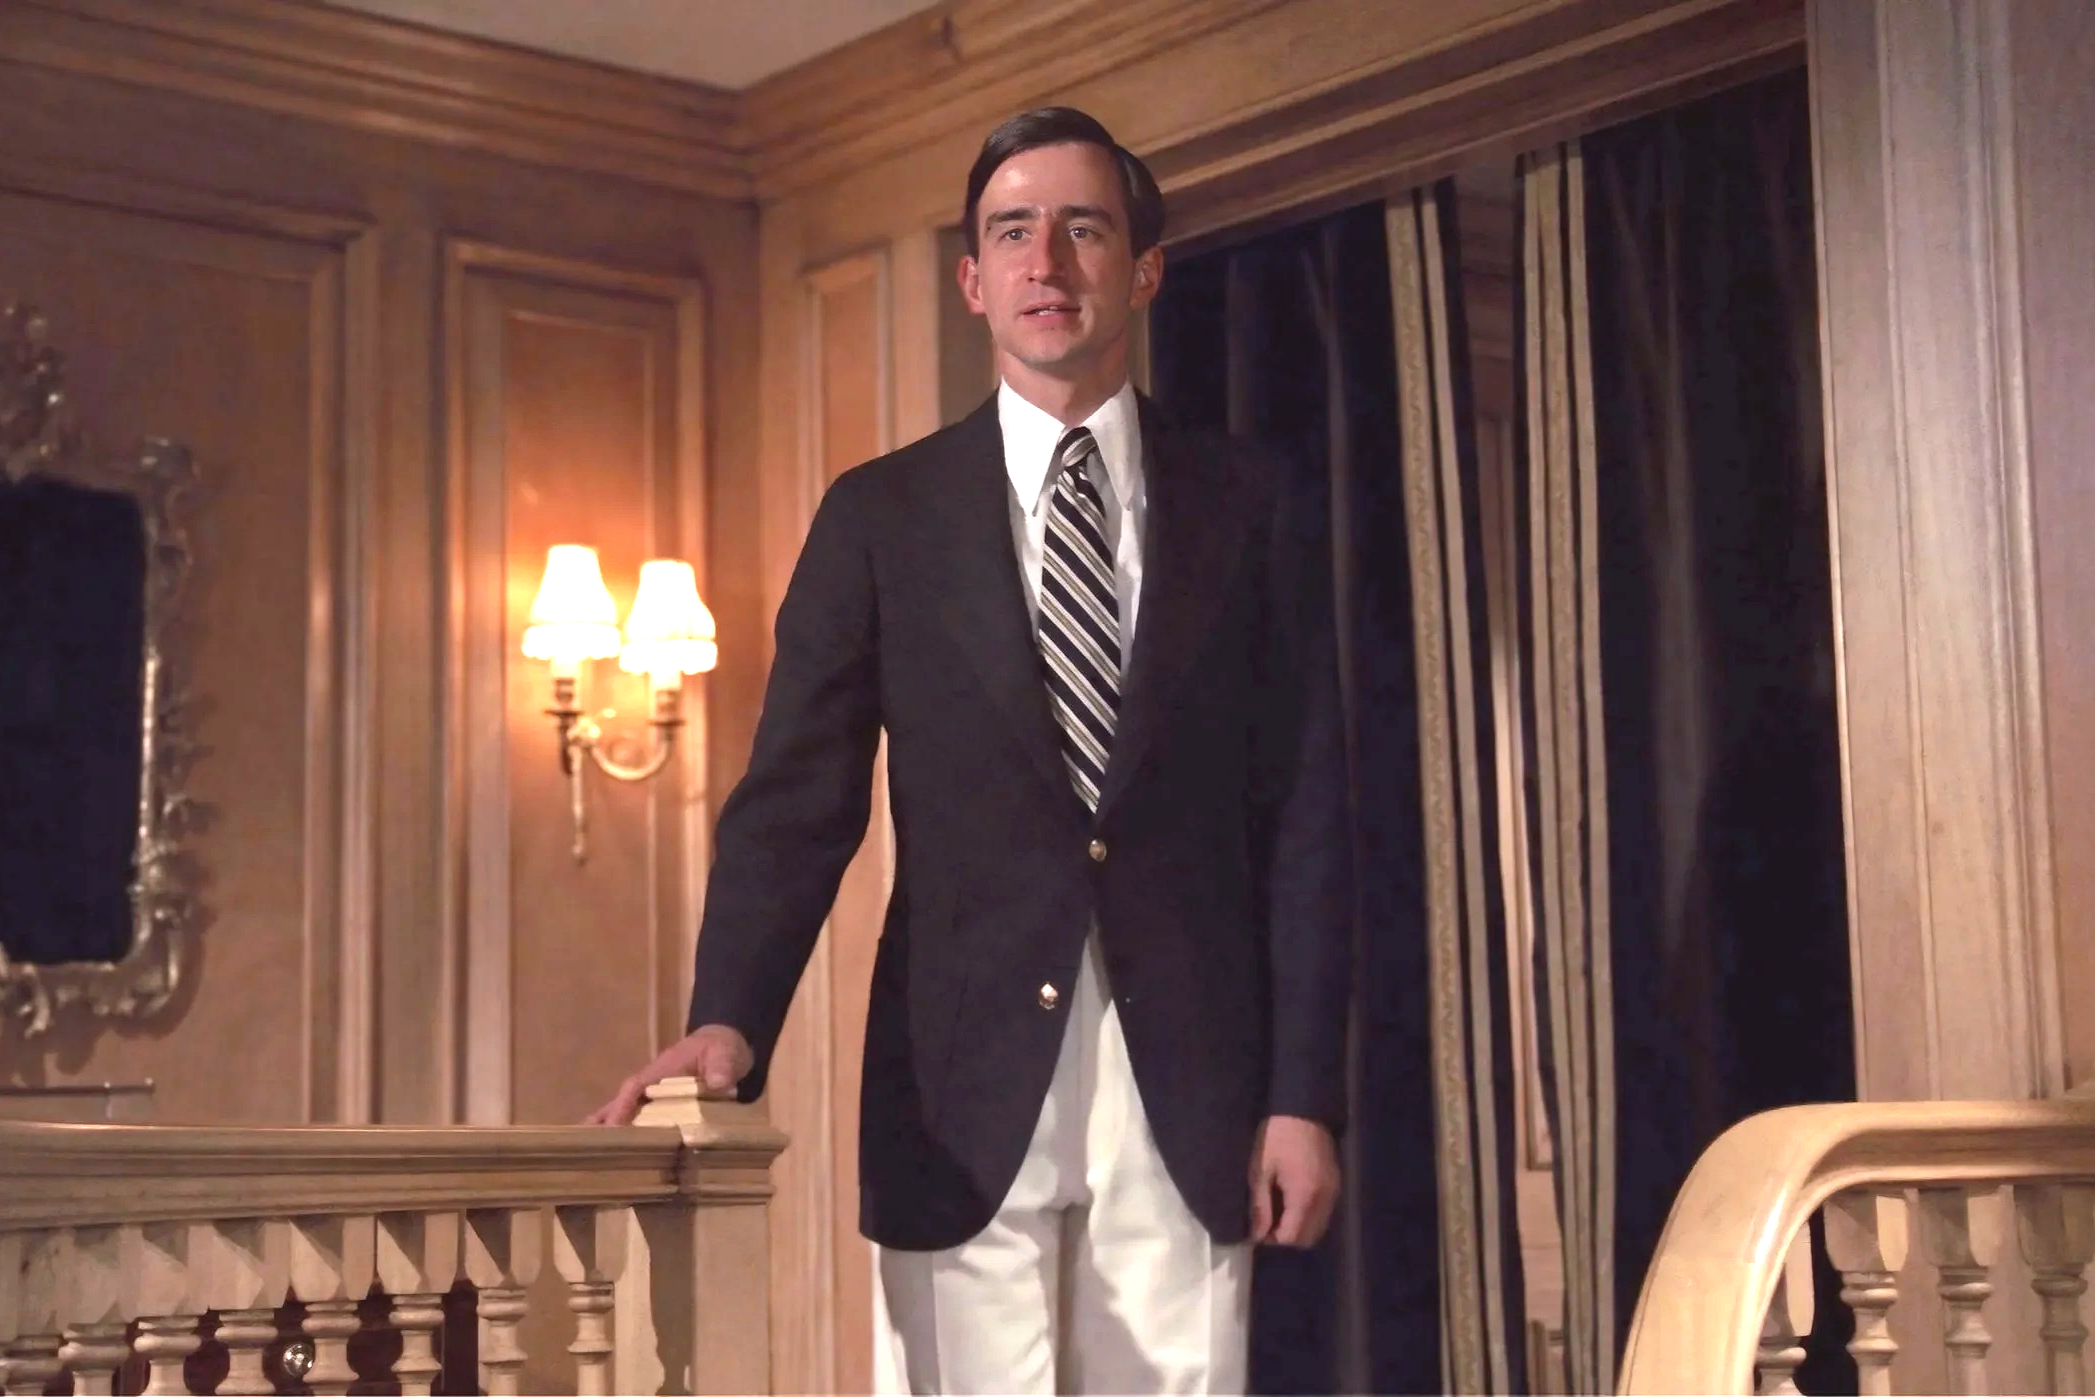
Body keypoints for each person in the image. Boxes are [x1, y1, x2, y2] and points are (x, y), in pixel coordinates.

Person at [589, 105, 1351, 1395]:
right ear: (972, 282)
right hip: (955, 1095)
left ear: (1143, 270)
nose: (1045, 261)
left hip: (1194, 1090)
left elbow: (1311, 819)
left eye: (1083, 229)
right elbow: (797, 799)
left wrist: (1303, 1092)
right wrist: (729, 1017)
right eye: (1012, 233)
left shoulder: (1252, 503)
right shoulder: (879, 515)